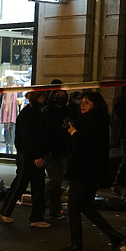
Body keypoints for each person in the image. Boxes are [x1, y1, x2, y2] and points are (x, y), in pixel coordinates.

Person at [61, 91, 124, 251]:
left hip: (85, 171)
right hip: (92, 171)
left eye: (87, 102)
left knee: (74, 206)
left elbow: (81, 146)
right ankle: (113, 234)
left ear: (95, 105)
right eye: (82, 101)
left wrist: (74, 132)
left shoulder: (95, 122)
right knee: (85, 206)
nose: (82, 105)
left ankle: (76, 243)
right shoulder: (94, 120)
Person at [0, 90, 50, 227]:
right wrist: (36, 155)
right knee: (23, 184)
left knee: (36, 185)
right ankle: (7, 211)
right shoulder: (30, 114)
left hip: (32, 154)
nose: (43, 99)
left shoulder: (34, 113)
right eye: (41, 97)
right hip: (28, 155)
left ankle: (36, 217)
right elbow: (28, 137)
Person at [40, 80, 74, 218]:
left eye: (62, 95)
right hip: (50, 151)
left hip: (63, 150)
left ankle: (55, 209)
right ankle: (40, 201)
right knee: (55, 179)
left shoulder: (67, 111)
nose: (60, 98)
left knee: (58, 182)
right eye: (57, 95)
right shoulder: (47, 111)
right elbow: (45, 132)